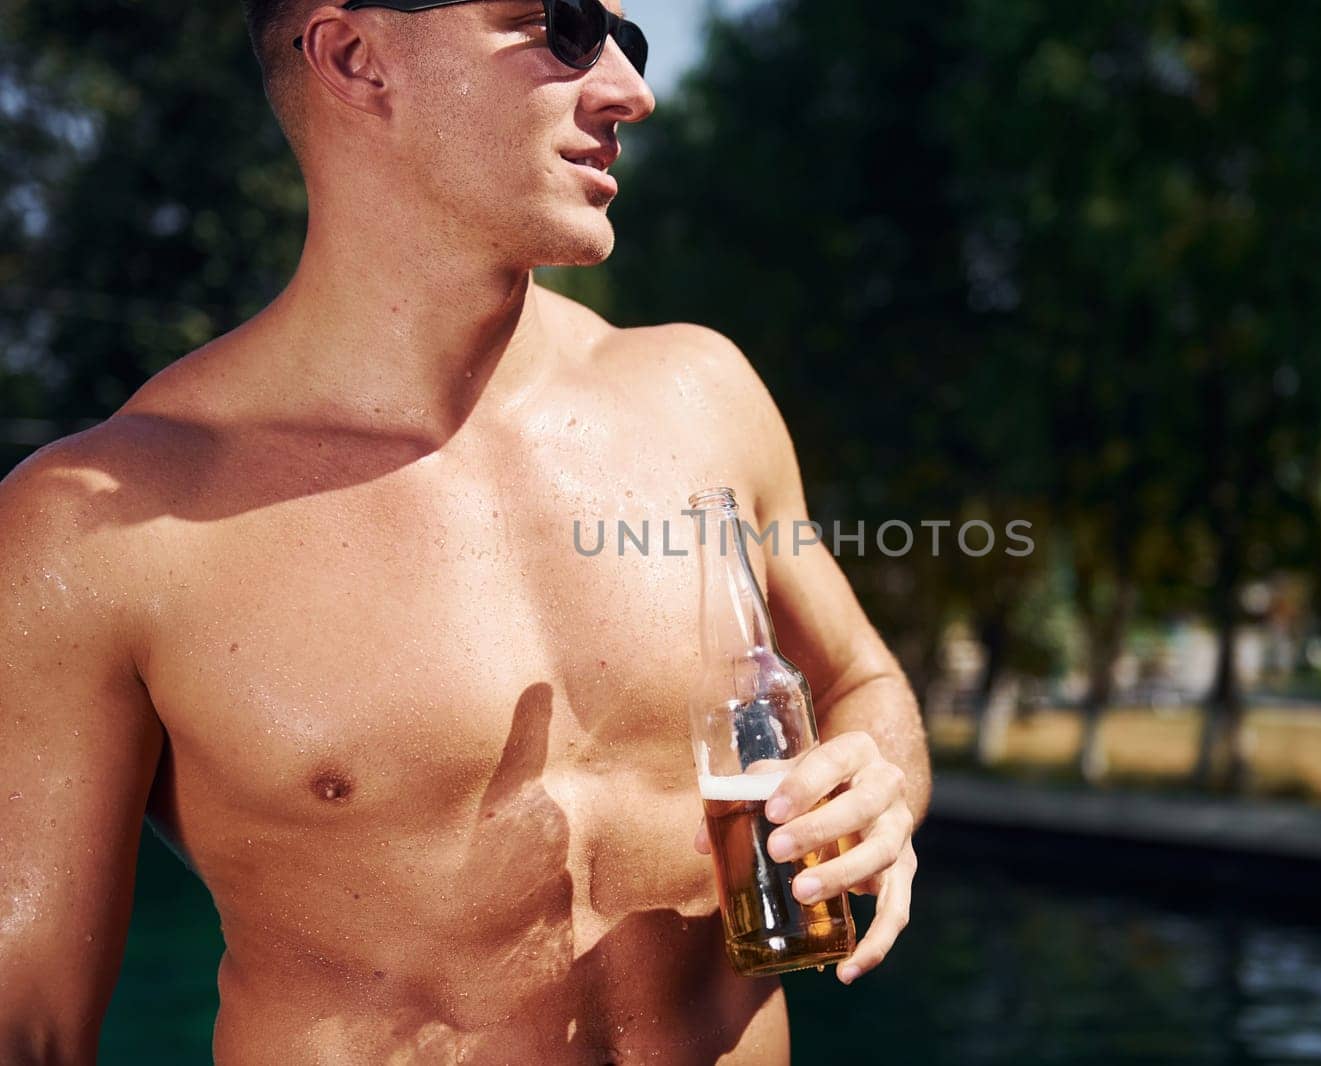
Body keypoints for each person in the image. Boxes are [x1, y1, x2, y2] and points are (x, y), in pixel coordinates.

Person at [0, 0, 930, 1061]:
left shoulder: (703, 397)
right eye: (564, 28)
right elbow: (24, 1026)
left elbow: (863, 681)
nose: (632, 92)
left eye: (628, 42)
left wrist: (875, 785)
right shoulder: (95, 530)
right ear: (356, 57)